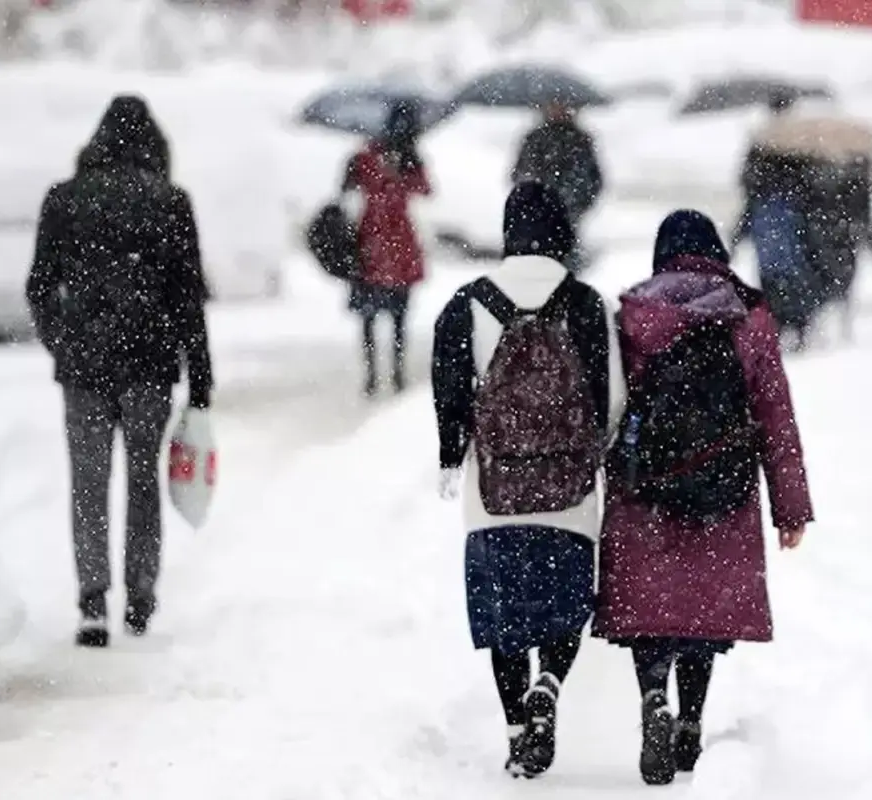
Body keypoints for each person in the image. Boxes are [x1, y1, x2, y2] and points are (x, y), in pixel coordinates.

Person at [594, 210, 813, 786]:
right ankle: (690, 721)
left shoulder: (634, 314)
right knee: (700, 610)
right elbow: (776, 418)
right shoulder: (747, 316)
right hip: (725, 488)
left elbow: (609, 409)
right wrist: (790, 508)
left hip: (646, 492)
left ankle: (653, 701)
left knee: (652, 612)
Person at [431, 181, 624, 779]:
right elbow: (611, 399)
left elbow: (449, 392)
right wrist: (593, 452)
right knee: (565, 607)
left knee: (506, 616)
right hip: (568, 492)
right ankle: (549, 684)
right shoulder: (587, 304)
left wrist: (450, 453)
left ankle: (518, 728)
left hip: (495, 493)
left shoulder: (468, 302)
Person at [25, 95, 213, 648]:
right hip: (148, 365)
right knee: (142, 479)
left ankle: (91, 601)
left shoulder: (64, 199)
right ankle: (139, 595)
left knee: (88, 481)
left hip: (84, 366)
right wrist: (199, 373)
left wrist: (62, 340)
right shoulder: (170, 202)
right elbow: (188, 298)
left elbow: (39, 286)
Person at [342, 99, 432, 397]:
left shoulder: (406, 158)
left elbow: (424, 189)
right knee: (378, 315)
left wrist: (399, 171)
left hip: (388, 242)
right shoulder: (367, 157)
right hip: (378, 242)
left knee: (394, 315)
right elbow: (347, 189)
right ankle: (378, 372)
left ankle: (391, 372)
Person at [731, 92, 823, 350]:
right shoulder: (800, 140)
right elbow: (810, 185)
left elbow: (747, 181)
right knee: (794, 271)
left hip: (768, 218)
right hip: (789, 219)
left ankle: (779, 324)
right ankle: (796, 323)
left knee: (771, 273)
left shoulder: (763, 140)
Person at [806, 155, 872, 341]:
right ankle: (841, 325)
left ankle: (829, 325)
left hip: (833, 239)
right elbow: (865, 221)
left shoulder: (833, 180)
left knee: (830, 282)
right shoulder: (858, 184)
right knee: (844, 283)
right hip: (847, 240)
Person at [511, 101, 605, 273]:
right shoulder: (535, 138)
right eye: (553, 104)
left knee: (566, 255)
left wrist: (578, 201)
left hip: (569, 209)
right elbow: (519, 173)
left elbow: (593, 178)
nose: (558, 110)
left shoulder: (580, 139)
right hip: (539, 211)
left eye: (562, 105)